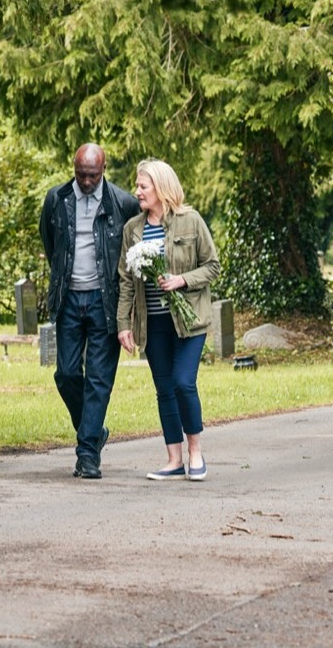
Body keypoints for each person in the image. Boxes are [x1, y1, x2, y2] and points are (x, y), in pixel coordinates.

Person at [40, 144, 140, 479]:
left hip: (104, 300)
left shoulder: (121, 203)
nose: (85, 181)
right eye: (80, 174)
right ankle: (95, 432)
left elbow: (130, 252)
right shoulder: (57, 199)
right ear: (73, 167)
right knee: (66, 374)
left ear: (104, 170)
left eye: (92, 175)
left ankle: (87, 456)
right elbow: (50, 243)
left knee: (99, 379)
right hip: (69, 298)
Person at [117, 159, 220, 481]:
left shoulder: (191, 221)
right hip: (154, 324)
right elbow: (124, 280)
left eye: (143, 186)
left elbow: (213, 266)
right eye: (138, 186)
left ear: (161, 188)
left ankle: (195, 452)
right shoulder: (132, 229)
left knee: (183, 383)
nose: (137, 192)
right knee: (164, 389)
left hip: (189, 322)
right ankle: (174, 460)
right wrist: (124, 324)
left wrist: (182, 280)